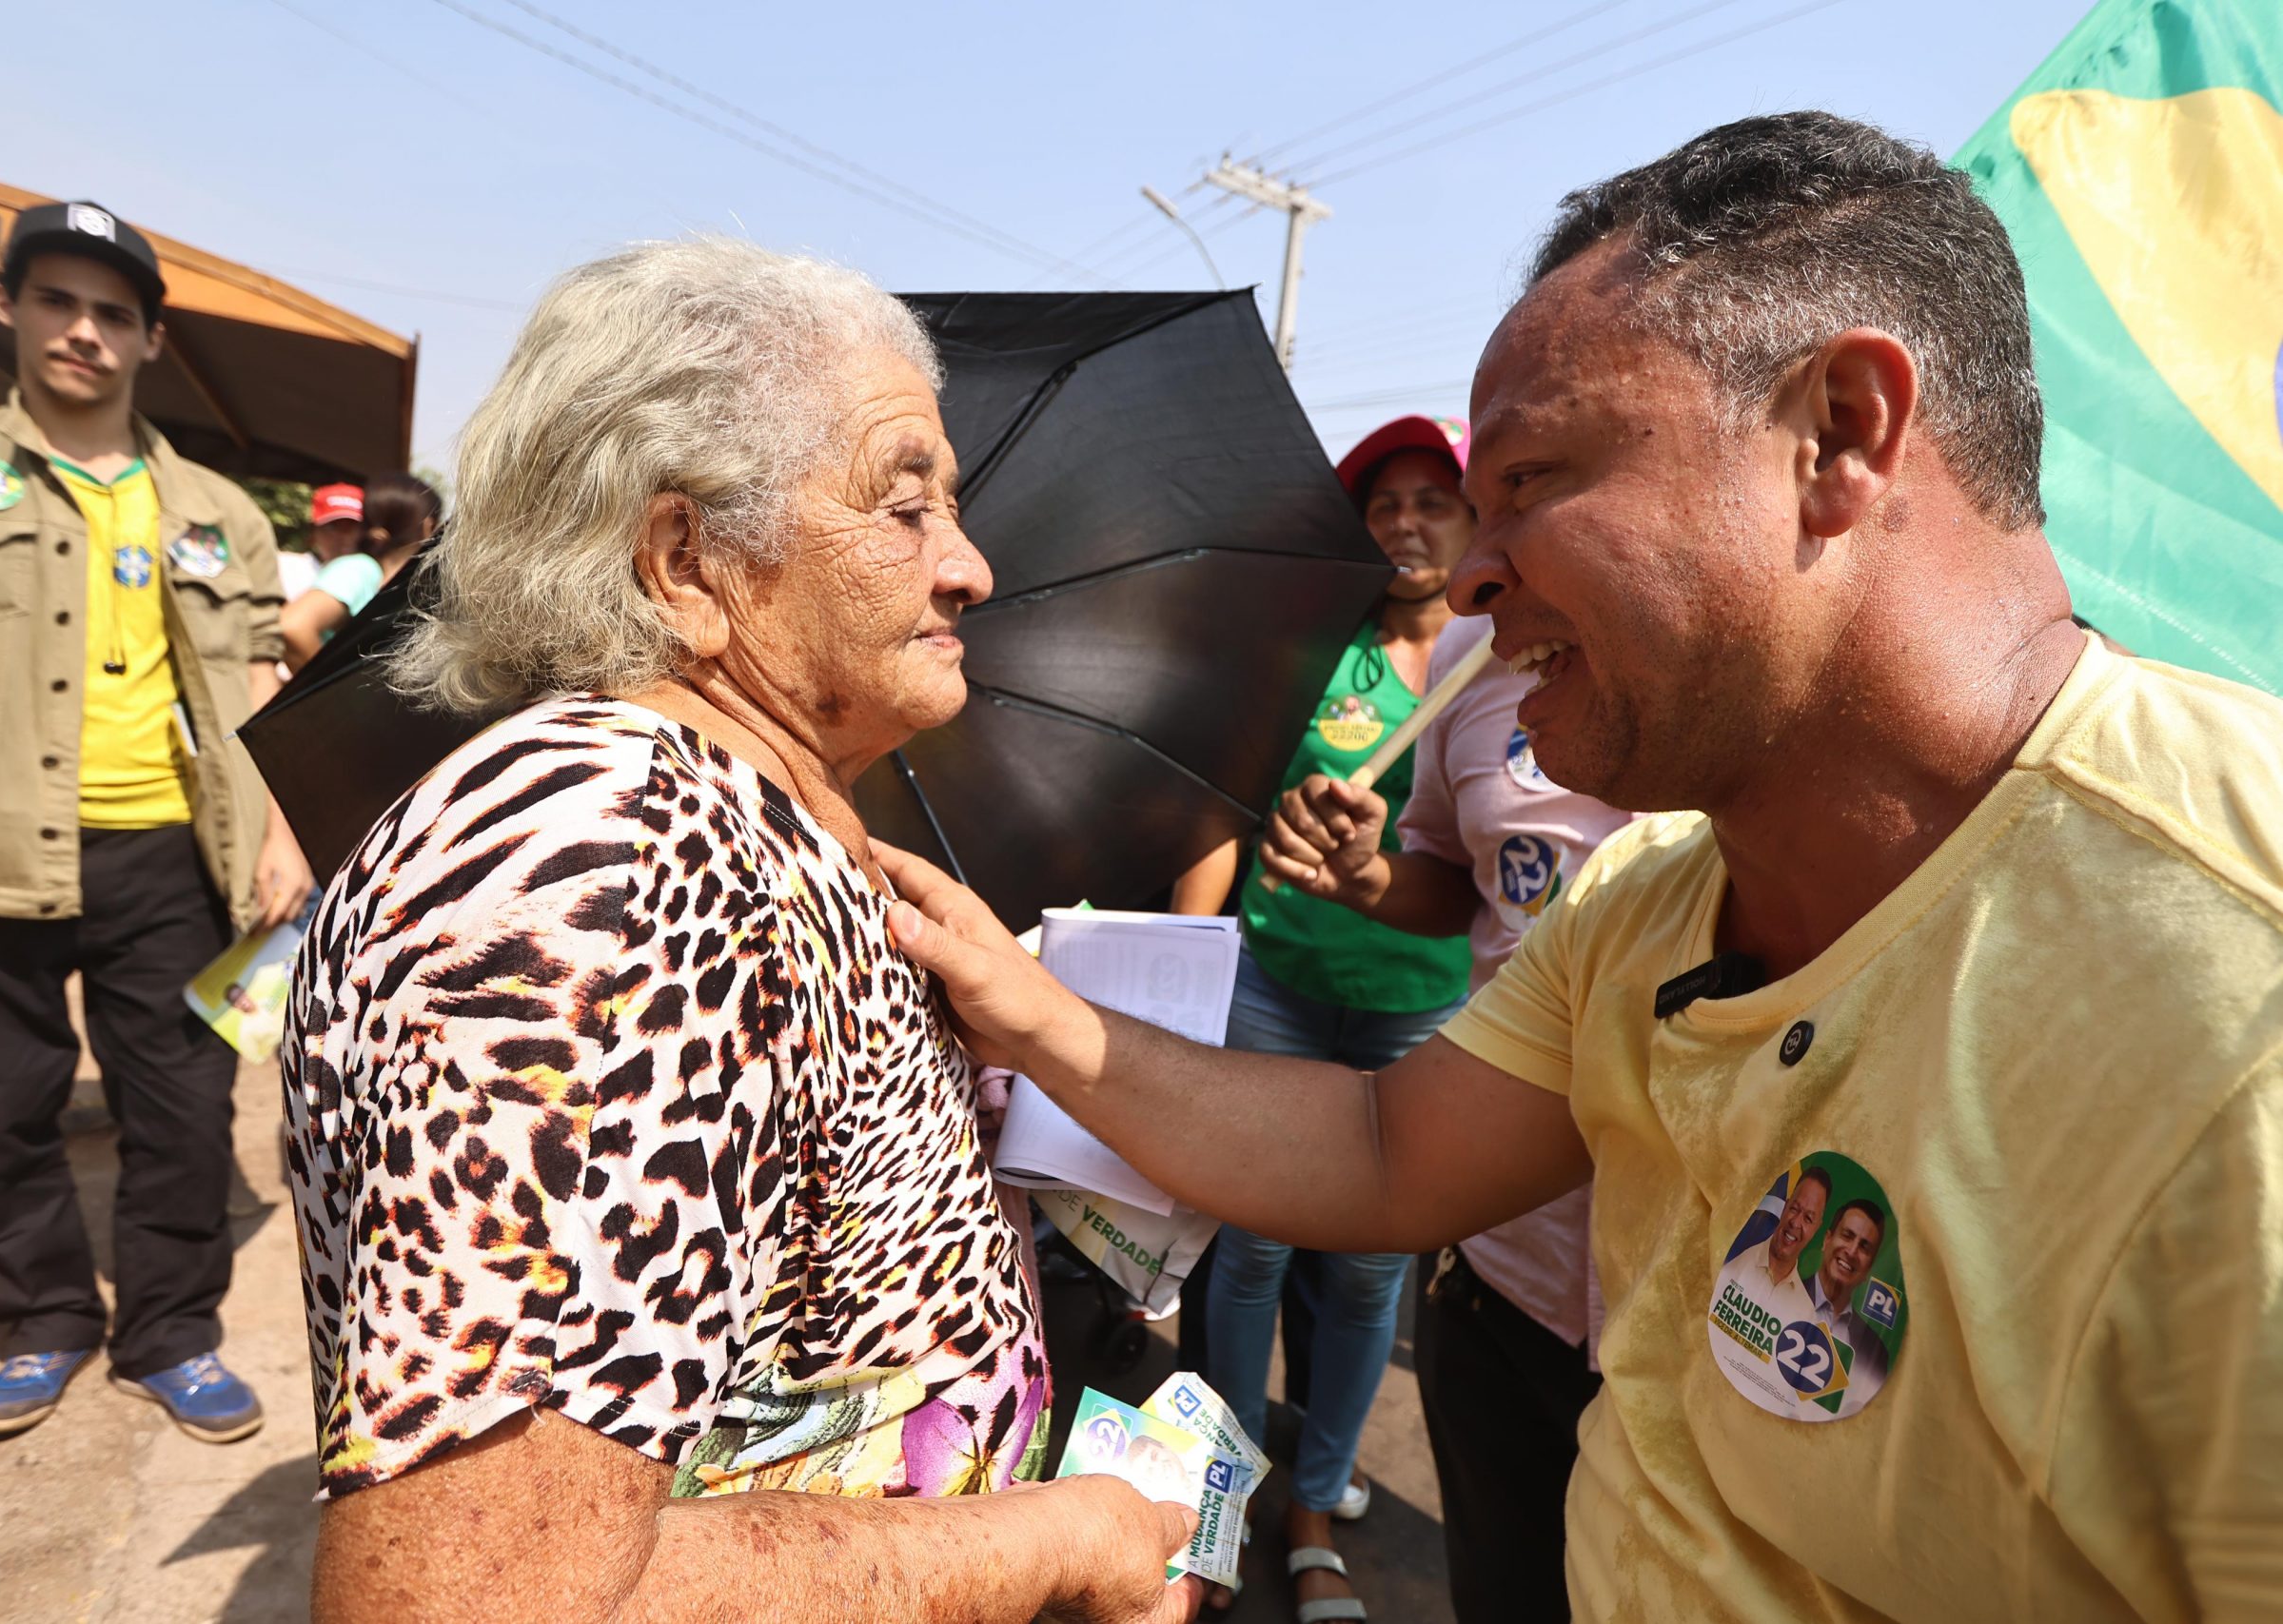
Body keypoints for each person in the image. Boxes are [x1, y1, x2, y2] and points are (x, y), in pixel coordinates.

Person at [875, 111, 2283, 1621]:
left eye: (1533, 481)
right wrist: (1024, 1005)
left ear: (1842, 434)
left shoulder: (2232, 994)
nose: (1472, 574)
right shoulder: (1649, 904)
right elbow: (1382, 1149)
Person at [282, 239, 1200, 1624]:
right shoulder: (607, 875)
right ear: (684, 559)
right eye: (903, 506)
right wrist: (1056, 1539)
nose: (971, 565)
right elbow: (482, 1600)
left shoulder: (742, 818)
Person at [0, 199, 311, 1443]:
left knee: (181, 1113)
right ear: (5, 307)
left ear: (149, 339)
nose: (85, 331)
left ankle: (170, 1331)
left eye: (114, 312)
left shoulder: (218, 508)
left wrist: (282, 836)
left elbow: (261, 682)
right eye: (57, 299)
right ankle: (45, 1317)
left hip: (176, 855)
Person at [1256, 558, 1632, 1620]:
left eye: (1532, 481)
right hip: (1500, 1268)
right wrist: (1365, 876)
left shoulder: (1756, 680)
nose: (1479, 561)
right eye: (1488, 490)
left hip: (1694, 1300)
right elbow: (1449, 877)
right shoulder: (1470, 661)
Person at [1168, 414, 1475, 1620]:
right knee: (1248, 1256)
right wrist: (1194, 965)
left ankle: (1318, 1505)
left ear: (1470, 519)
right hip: (1278, 991)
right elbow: (1222, 813)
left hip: (1419, 1010)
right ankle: (1226, 1499)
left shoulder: (1503, 663)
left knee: (1365, 1275)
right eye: (1382, 504)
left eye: (1429, 501)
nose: (1404, 523)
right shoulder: (1313, 653)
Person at [277, 471, 439, 670]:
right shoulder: (361, 569)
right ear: (429, 527)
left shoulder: (374, 574)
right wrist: (333, 697)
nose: (342, 536)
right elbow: (293, 626)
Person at [1708, 1165, 1827, 1338]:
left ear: (1817, 1229)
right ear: (1785, 1207)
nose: (1795, 1222)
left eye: (1808, 1218)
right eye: (1794, 1208)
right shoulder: (1732, 1259)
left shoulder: (1806, 1313)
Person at [1801, 1199, 1891, 1418]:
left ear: (1869, 1267)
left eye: (1864, 1247)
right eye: (1847, 1236)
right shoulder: (1780, 1292)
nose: (1851, 1251)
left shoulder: (1875, 1353)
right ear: (1827, 1240)